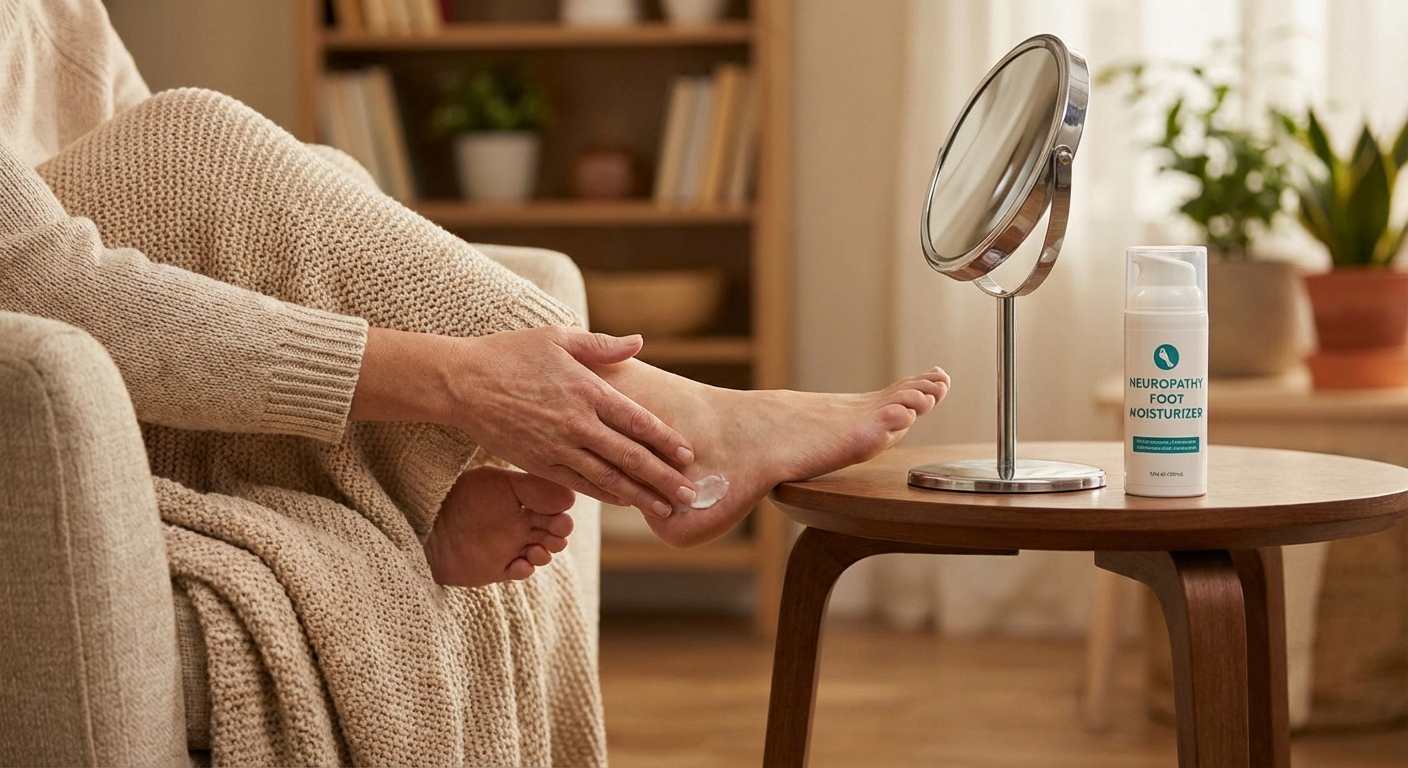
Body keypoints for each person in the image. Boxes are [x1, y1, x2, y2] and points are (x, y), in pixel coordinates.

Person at [0, 0, 949, 763]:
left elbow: (169, 221)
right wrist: (456, 382)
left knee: (285, 162)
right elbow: (35, 276)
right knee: (193, 139)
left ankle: (395, 492)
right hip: (41, 364)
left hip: (104, 401)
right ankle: (672, 423)